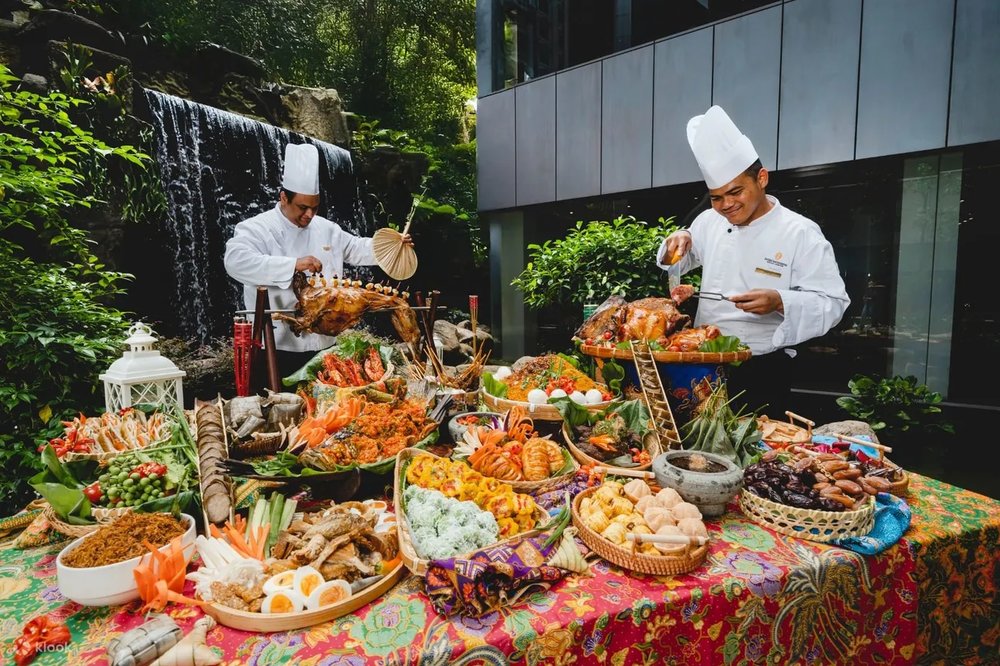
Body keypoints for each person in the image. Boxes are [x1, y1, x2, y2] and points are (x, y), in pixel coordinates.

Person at [657, 106, 850, 414]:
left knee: (756, 443)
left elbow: (833, 302)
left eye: (736, 192)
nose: (726, 205)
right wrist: (677, 240)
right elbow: (676, 262)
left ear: (761, 178)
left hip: (761, 368)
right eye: (716, 197)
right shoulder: (708, 221)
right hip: (700, 363)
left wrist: (780, 301)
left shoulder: (800, 232)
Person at [224, 142, 412, 377]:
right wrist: (293, 264)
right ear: (283, 198)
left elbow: (356, 248)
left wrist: (392, 246)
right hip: (276, 347)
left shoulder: (327, 228)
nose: (309, 214)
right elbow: (235, 261)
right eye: (302, 207)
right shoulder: (257, 228)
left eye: (315, 207)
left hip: (324, 345)